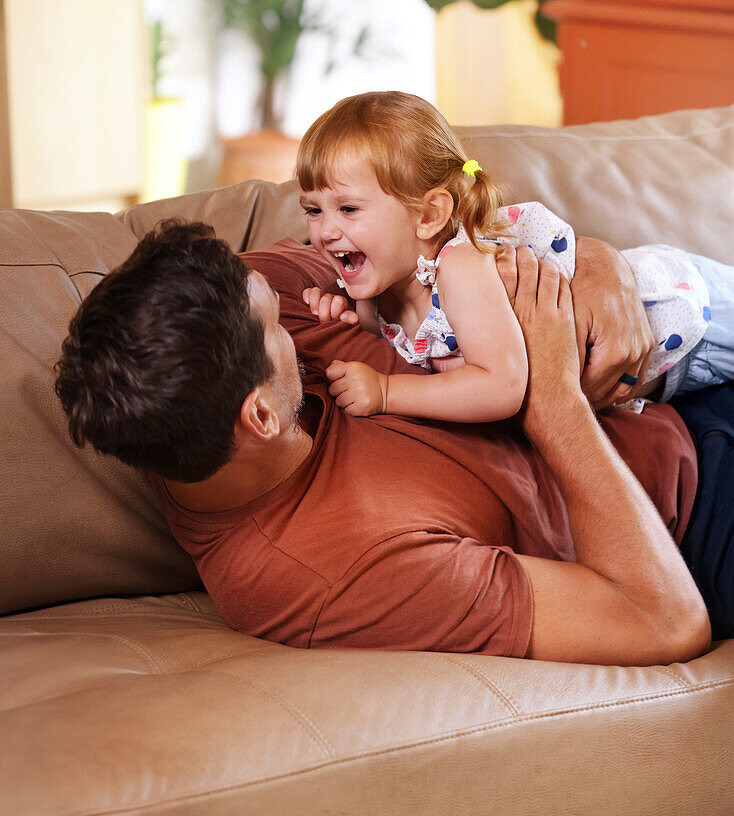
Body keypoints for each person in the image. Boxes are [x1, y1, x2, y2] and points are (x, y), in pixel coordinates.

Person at [54, 219, 718, 665]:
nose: (288, 316)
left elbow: (438, 223)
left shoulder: (244, 304)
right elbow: (662, 619)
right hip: (695, 516)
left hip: (667, 372)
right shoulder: (326, 577)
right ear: (258, 417)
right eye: (275, 331)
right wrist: (553, 401)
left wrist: (601, 267)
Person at [297, 91, 730, 421]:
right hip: (672, 377)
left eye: (348, 209)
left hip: (686, 313)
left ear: (429, 216)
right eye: (313, 211)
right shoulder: (378, 293)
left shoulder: (460, 267)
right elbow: (375, 341)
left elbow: (502, 386)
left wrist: (387, 392)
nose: (326, 231)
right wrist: (340, 314)